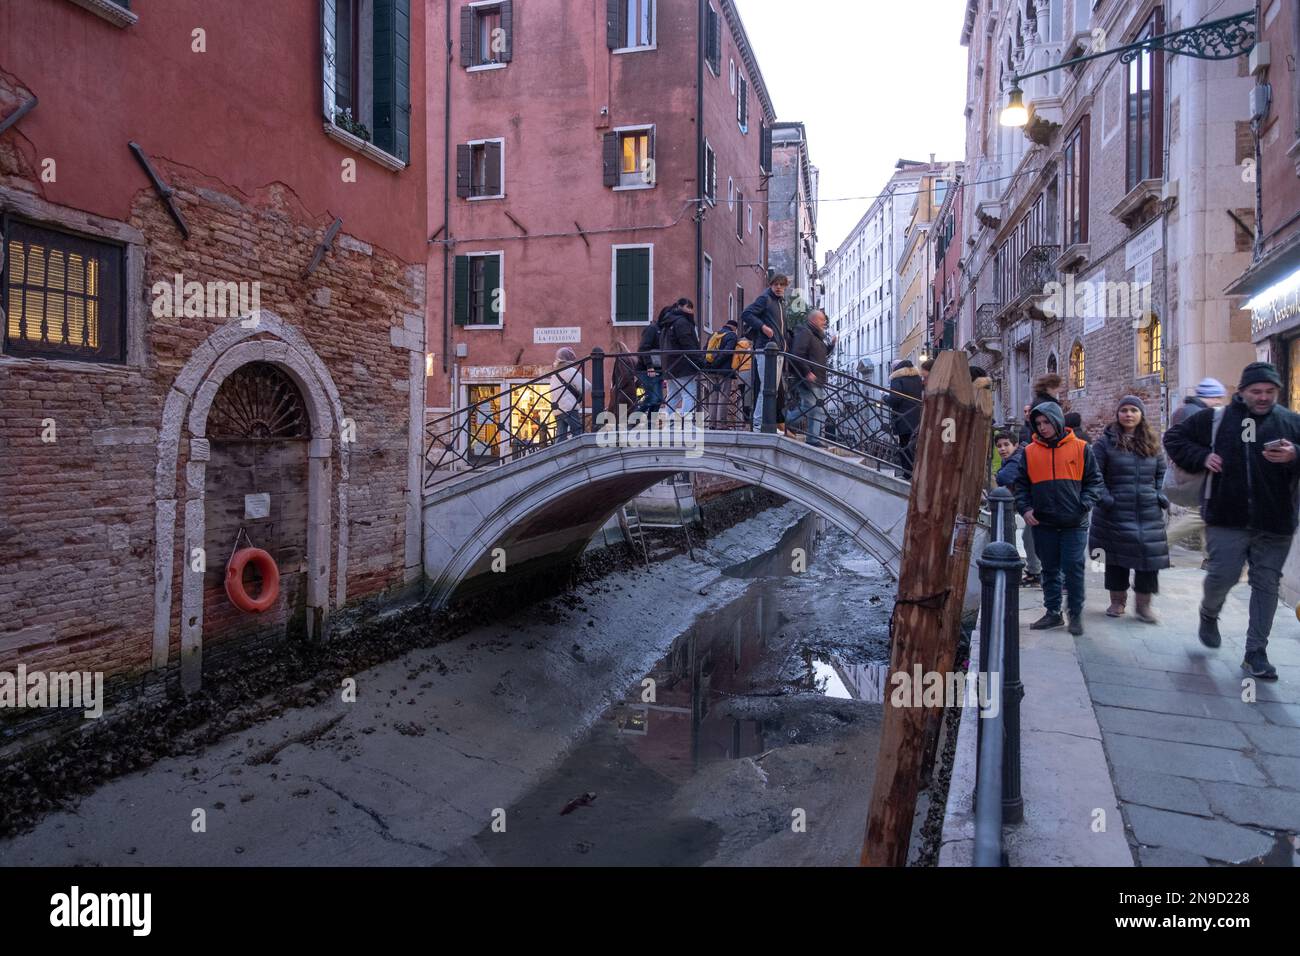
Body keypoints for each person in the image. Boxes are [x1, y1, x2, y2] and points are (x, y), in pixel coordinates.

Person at [1163, 362, 1300, 680]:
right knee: (1222, 576)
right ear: (1242, 392)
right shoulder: (1216, 419)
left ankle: (1256, 653)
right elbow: (1174, 439)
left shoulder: (1291, 422)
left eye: (1270, 391)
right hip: (1227, 517)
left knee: (1266, 584)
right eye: (1257, 391)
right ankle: (1208, 613)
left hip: (1275, 522)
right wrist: (1201, 457)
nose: (1263, 397)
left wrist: (1295, 453)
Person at [1013, 401, 1105, 636]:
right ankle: (1053, 612)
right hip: (1043, 522)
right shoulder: (1029, 452)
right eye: (1038, 423)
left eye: (1046, 422)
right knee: (1050, 569)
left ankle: (1075, 613)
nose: (1042, 427)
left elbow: (1095, 481)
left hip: (1074, 522)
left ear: (1057, 421)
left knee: (1073, 568)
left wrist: (1083, 504)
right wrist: (1025, 509)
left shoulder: (1081, 448)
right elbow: (1021, 485)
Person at [1090, 396, 1171, 623]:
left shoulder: (1152, 442)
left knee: (1148, 561)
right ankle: (1117, 601)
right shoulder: (1105, 443)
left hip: (1148, 512)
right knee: (1116, 560)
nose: (1128, 414)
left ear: (1141, 414)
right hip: (1114, 512)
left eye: (1133, 410)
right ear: (1117, 414)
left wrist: (1160, 495)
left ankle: (1144, 606)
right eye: (1124, 410)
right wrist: (1106, 499)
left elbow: (1161, 474)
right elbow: (1094, 476)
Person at [1165, 377, 1228, 557]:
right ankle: (1159, 546)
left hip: (1197, 470)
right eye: (1217, 398)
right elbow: (1186, 441)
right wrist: (1206, 456)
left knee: (1203, 513)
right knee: (1199, 514)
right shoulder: (1197, 413)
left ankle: (1209, 557)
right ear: (1208, 396)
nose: (1219, 402)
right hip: (1197, 471)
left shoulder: (1187, 409)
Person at [741, 275, 789, 429]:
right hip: (764, 350)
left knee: (771, 390)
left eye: (782, 285)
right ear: (771, 285)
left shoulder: (781, 303)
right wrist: (762, 327)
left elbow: (781, 327)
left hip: (778, 351)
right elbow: (746, 314)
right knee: (766, 388)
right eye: (776, 284)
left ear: (785, 287)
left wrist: (784, 343)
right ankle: (758, 424)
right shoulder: (765, 299)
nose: (779, 287)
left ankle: (767, 424)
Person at [994, 428, 1042, 586]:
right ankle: (1035, 572)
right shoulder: (1011, 458)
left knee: (1031, 538)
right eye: (999, 446)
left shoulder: (1018, 458)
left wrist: (997, 475)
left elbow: (1005, 477)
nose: (1002, 449)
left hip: (1035, 503)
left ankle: (1039, 573)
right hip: (1029, 503)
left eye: (1006, 445)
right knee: (1028, 538)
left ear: (1015, 445)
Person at [785, 309, 836, 447]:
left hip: (817, 378)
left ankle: (813, 439)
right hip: (807, 378)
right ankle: (784, 421)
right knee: (811, 407)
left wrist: (831, 345)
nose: (824, 323)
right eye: (822, 320)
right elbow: (797, 353)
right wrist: (807, 372)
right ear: (813, 320)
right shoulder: (805, 332)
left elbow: (822, 355)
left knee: (814, 408)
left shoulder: (817, 336)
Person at [657, 298, 701, 416]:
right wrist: (700, 361)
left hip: (669, 364)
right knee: (689, 393)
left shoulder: (666, 323)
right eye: (689, 307)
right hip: (682, 365)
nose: (691, 311)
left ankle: (670, 422)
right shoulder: (682, 322)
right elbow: (688, 344)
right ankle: (684, 423)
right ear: (681, 306)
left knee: (673, 395)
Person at [701, 317, 742, 427]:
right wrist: (717, 364)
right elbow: (727, 352)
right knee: (723, 396)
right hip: (723, 370)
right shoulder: (732, 335)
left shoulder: (714, 334)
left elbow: (705, 350)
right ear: (734, 328)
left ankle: (711, 423)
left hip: (710, 370)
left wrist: (708, 365)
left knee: (712, 396)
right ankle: (721, 424)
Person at [887, 359, 923, 478]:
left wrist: (884, 397)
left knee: (904, 445)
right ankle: (916, 472)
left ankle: (907, 474)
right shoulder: (917, 379)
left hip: (903, 419)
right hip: (917, 418)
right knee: (914, 446)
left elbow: (895, 400)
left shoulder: (897, 379)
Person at [549, 347, 590, 441]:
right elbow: (586, 386)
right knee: (577, 432)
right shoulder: (570, 370)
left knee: (560, 436)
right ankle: (578, 454)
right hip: (569, 407)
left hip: (557, 408)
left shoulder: (555, 373)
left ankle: (559, 454)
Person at [634, 309, 667, 415]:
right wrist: (649, 366)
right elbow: (643, 348)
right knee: (651, 399)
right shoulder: (652, 329)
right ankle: (632, 421)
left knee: (657, 400)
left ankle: (650, 425)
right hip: (646, 370)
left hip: (658, 370)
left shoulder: (664, 331)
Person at [611, 340, 639, 416]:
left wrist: (616, 387)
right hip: (632, 391)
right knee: (630, 416)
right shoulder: (632, 359)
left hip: (623, 392)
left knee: (621, 418)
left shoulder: (620, 359)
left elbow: (625, 375)